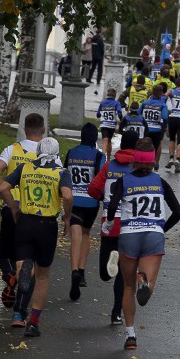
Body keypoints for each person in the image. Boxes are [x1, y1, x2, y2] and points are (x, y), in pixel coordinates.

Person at [104, 138, 180, 349]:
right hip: (152, 237)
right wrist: (160, 229)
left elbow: (112, 207)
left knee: (127, 287)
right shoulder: (160, 182)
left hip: (129, 235)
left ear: (135, 160)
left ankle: (130, 336)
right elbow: (178, 212)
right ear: (151, 161)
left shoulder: (124, 181)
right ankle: (144, 280)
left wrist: (109, 222)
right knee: (147, 287)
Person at [0, 137, 73, 337]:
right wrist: (67, 216)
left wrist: (14, 207)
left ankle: (24, 272)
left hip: (24, 222)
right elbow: (67, 196)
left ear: (37, 151)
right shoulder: (61, 173)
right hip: (47, 226)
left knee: (23, 261)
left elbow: (3, 187)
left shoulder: (24, 167)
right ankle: (33, 322)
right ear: (57, 155)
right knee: (43, 275)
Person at [0, 113, 45, 327]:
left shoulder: (12, 150)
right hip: (34, 213)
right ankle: (20, 311)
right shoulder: (46, 154)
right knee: (29, 262)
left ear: (23, 128)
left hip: (11, 207)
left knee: (6, 254)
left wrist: (8, 195)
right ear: (44, 130)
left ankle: (10, 273)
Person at [87, 130, 140, 325]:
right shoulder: (138, 169)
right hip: (129, 225)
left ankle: (108, 266)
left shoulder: (109, 166)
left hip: (109, 223)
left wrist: (105, 200)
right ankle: (116, 313)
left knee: (104, 273)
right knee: (125, 276)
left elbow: (92, 188)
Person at [64, 123, 105, 301]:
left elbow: (64, 175)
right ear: (94, 138)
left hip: (74, 200)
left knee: (76, 236)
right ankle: (81, 271)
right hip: (91, 201)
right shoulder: (98, 155)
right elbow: (102, 177)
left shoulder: (71, 153)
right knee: (86, 234)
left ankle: (73, 271)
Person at [138, 84, 169, 170]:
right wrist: (164, 126)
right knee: (157, 145)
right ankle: (156, 161)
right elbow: (165, 117)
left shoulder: (145, 103)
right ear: (161, 93)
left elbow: (138, 114)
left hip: (145, 129)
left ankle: (144, 162)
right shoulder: (162, 105)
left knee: (145, 146)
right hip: (157, 130)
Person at [96, 87, 123, 160]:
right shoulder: (117, 103)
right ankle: (107, 158)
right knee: (109, 141)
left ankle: (103, 157)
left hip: (104, 124)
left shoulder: (102, 103)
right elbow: (119, 113)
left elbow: (98, 114)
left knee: (105, 141)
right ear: (114, 95)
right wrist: (121, 120)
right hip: (112, 125)